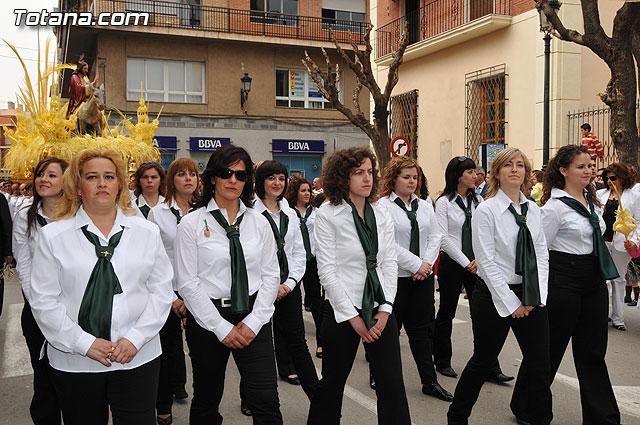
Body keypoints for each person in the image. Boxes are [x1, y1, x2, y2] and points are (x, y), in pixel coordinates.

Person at [28, 148, 174, 425]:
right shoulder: (53, 236)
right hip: (74, 361)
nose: (102, 183)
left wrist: (135, 338)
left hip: (137, 357)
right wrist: (84, 343)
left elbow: (161, 291)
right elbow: (44, 301)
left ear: (120, 184)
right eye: (92, 177)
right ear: (78, 186)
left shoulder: (146, 232)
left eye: (109, 176)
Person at [174, 144, 283, 424]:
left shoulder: (259, 223)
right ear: (212, 177)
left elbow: (271, 275)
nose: (233, 180)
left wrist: (253, 322)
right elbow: (187, 282)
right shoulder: (191, 223)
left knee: (266, 400)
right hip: (208, 319)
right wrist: (221, 328)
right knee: (207, 399)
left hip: (252, 316)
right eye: (227, 173)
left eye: (241, 175)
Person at [307, 146, 411, 425]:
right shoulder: (328, 214)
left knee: (391, 384)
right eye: (358, 173)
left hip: (380, 307)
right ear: (342, 177)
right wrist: (353, 317)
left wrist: (386, 309)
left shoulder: (381, 213)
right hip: (344, 310)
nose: (367, 179)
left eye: (369, 172)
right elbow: (326, 271)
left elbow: (389, 262)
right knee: (331, 385)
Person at [447, 147, 551, 425]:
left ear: (527, 173)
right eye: (508, 165)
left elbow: (542, 254)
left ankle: (540, 418)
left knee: (541, 363)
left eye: (520, 165)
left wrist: (534, 296)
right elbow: (486, 261)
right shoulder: (487, 210)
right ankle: (457, 417)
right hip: (494, 295)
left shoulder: (534, 210)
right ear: (496, 173)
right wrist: (510, 302)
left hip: (529, 295)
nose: (515, 169)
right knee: (483, 361)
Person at [540, 144, 620, 424]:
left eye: (590, 166)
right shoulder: (553, 208)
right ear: (563, 171)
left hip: (593, 279)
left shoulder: (592, 200)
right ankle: (528, 404)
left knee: (593, 351)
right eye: (581, 167)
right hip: (564, 279)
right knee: (552, 347)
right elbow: (541, 251)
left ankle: (602, 417)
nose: (589, 171)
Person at [378, 157, 452, 401]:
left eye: (415, 177)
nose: (412, 181)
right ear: (393, 179)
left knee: (421, 331)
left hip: (422, 277)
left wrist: (426, 265)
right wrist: (416, 264)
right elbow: (387, 244)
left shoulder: (425, 204)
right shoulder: (382, 206)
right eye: (406, 177)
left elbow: (436, 236)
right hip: (395, 277)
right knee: (389, 330)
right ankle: (378, 373)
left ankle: (429, 381)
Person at [434, 156, 513, 384]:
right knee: (447, 311)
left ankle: (490, 365)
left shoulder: (478, 200)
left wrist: (478, 259)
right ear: (458, 176)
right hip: (453, 262)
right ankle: (442, 360)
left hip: (477, 264)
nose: (475, 175)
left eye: (475, 171)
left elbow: (485, 232)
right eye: (469, 172)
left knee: (482, 315)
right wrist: (465, 261)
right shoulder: (444, 202)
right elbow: (443, 237)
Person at [253, 161, 319, 396]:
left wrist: (289, 283)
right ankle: (251, 397)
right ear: (260, 181)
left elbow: (299, 252)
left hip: (288, 288)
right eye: (271, 178)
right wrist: (270, 286)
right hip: (259, 290)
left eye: (281, 178)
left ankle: (318, 398)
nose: (277, 183)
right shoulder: (249, 213)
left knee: (298, 343)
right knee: (256, 347)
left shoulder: (290, 213)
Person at [13, 157, 68, 425]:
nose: (44, 179)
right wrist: (37, 303)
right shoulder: (25, 215)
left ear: (66, 181)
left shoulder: (77, 214)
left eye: (52, 175)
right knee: (43, 377)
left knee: (72, 380)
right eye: (40, 174)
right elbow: (23, 262)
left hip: (73, 307)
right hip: (37, 309)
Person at [148, 158, 198, 425]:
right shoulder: (158, 213)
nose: (188, 178)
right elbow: (155, 259)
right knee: (166, 353)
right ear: (171, 180)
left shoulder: (206, 211)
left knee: (203, 354)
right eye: (182, 174)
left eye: (193, 174)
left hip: (200, 292)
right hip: (168, 292)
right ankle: (163, 406)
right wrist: (171, 297)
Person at [596, 162, 640, 331]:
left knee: (619, 279)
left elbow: (638, 220)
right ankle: (602, 314)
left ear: (622, 178)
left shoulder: (633, 196)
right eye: (607, 178)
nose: (609, 181)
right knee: (604, 279)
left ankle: (618, 318)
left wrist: (635, 241)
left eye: (613, 178)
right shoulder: (601, 194)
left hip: (623, 242)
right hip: (603, 240)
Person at [284, 176, 324, 359]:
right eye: (303, 190)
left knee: (316, 300)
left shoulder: (316, 212)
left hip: (313, 260)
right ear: (295, 192)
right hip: (294, 262)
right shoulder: (288, 212)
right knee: (292, 303)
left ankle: (322, 342)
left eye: (309, 190)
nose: (308, 194)